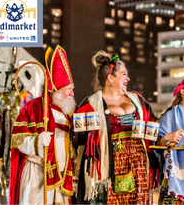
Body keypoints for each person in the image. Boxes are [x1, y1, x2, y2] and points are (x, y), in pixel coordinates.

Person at [74, 51, 158, 204]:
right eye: (124, 74)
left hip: (138, 165)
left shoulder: (137, 99)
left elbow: (153, 124)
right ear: (110, 78)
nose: (128, 78)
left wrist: (166, 137)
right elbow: (76, 137)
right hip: (109, 166)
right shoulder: (91, 103)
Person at [9, 45, 77, 204]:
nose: (73, 93)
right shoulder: (34, 107)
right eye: (69, 89)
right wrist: (36, 141)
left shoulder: (69, 113)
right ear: (57, 89)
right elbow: (17, 140)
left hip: (60, 176)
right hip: (36, 175)